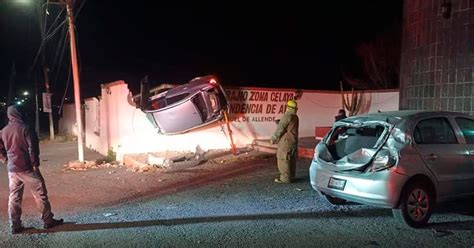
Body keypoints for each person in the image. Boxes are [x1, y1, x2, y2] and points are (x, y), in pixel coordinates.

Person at [0, 105, 63, 234]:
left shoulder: (3, 131)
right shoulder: (26, 128)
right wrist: (35, 164)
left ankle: (15, 225)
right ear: (20, 113)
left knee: (14, 197)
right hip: (27, 168)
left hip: (12, 170)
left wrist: (5, 160)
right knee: (40, 195)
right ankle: (48, 221)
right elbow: (32, 148)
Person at [270, 100, 299, 183]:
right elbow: (289, 127)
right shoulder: (295, 117)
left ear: (287, 107)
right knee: (291, 159)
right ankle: (291, 176)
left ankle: (285, 178)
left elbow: (280, 129)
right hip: (293, 141)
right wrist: (280, 122)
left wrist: (273, 139)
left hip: (286, 143)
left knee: (283, 159)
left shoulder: (286, 116)